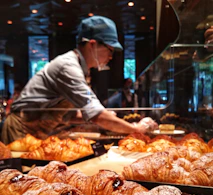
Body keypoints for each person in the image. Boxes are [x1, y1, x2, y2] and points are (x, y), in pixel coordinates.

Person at [1, 15, 158, 144]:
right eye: (110, 50)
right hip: (20, 129)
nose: (111, 57)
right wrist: (136, 129)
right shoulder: (68, 67)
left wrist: (108, 118)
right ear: (92, 44)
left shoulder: (80, 68)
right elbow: (96, 115)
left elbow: (67, 114)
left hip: (36, 132)